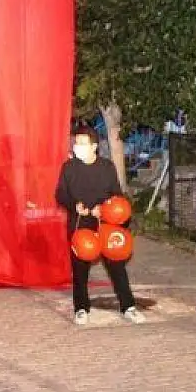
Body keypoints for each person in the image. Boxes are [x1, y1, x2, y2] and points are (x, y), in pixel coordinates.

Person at [55, 125, 145, 326]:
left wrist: (103, 209)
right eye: (76, 142)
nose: (78, 147)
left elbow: (117, 195)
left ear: (94, 146)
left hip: (105, 222)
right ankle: (81, 308)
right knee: (80, 268)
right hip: (80, 222)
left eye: (82, 143)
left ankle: (128, 306)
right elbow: (60, 194)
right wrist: (74, 205)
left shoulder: (106, 167)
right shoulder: (68, 168)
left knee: (116, 266)